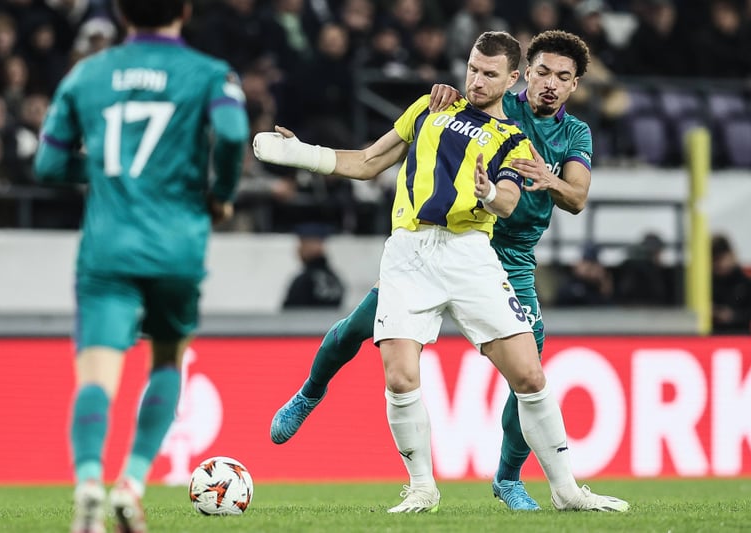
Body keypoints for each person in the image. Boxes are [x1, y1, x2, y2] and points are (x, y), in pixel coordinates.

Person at [255, 31, 628, 514]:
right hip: (421, 248)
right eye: (543, 73)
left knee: (529, 370)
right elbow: (369, 160)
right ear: (525, 77)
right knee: (361, 335)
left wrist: (533, 180)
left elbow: (568, 197)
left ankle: (516, 478)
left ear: (573, 84)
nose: (550, 84)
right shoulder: (450, 105)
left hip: (500, 256)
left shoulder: (561, 134)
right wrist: (303, 153)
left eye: (562, 77)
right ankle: (314, 397)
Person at [32, 1, 249, 531]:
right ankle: (130, 483)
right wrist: (220, 194)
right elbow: (233, 133)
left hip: (107, 249)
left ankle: (88, 482)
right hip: (178, 247)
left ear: (122, 13)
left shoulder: (86, 74)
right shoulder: (210, 73)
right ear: (186, 10)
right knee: (168, 359)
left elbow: (49, 164)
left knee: (96, 375)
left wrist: (110, 169)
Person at [282, 223, 346, 309]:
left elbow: (290, 313)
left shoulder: (304, 281)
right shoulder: (335, 279)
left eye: (303, 243)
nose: (298, 249)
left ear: (314, 245)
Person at [711, 234, 751, 334]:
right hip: (710, 338)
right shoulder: (705, 286)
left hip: (739, 337)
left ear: (732, 255)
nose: (718, 264)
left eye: (721, 258)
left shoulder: (746, 284)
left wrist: (733, 316)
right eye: (714, 259)